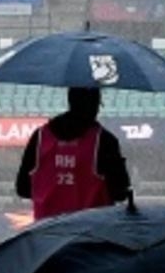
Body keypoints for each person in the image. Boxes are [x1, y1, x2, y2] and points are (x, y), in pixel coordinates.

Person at [15, 87, 131, 221]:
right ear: (94, 104)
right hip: (91, 232)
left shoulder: (40, 137)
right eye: (98, 104)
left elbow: (22, 189)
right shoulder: (104, 140)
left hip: (47, 231)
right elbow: (120, 193)